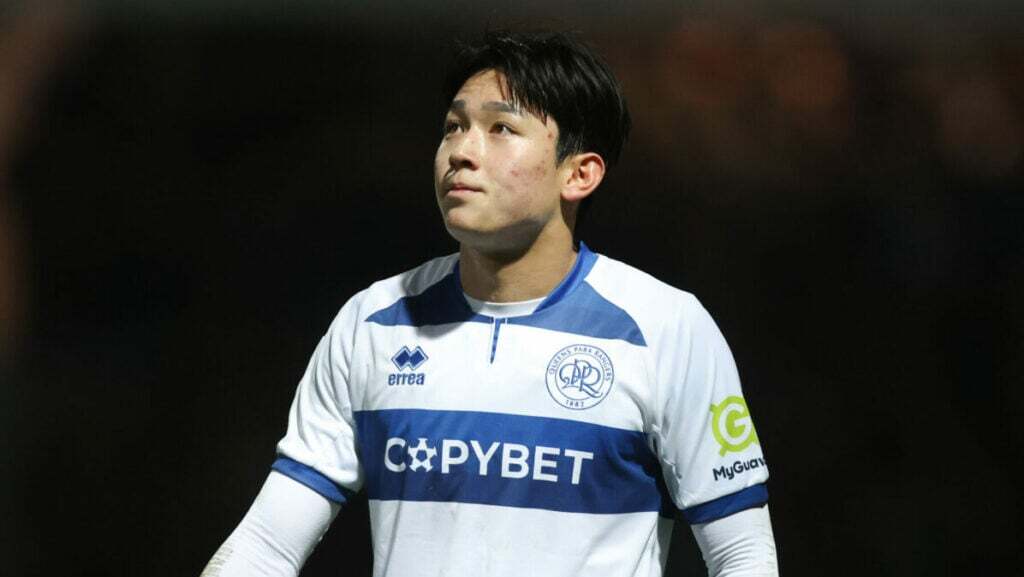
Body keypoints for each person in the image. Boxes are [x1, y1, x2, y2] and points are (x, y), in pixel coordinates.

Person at [202, 30, 778, 577]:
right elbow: (266, 548)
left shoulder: (667, 327)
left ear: (579, 174)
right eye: (454, 127)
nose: (461, 151)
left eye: (501, 128)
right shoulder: (372, 322)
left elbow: (743, 555)